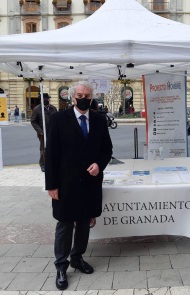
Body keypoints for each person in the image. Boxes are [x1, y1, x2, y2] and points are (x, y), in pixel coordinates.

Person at [45, 81, 113, 290]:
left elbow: (106, 149)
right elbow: (51, 155)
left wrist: (98, 165)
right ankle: (61, 266)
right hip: (66, 183)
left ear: (91, 98)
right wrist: (52, 186)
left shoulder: (100, 120)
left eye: (87, 95)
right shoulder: (58, 119)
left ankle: (77, 257)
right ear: (72, 97)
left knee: (84, 223)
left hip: (90, 183)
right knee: (65, 225)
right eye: (80, 95)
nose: (83, 98)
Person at [31, 93, 57, 172]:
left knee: (53, 148)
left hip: (53, 132)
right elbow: (33, 121)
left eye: (47, 98)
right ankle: (43, 164)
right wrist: (39, 130)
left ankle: (52, 163)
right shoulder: (37, 109)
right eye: (44, 99)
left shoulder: (53, 108)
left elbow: (57, 119)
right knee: (43, 149)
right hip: (42, 133)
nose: (46, 100)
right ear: (41, 100)